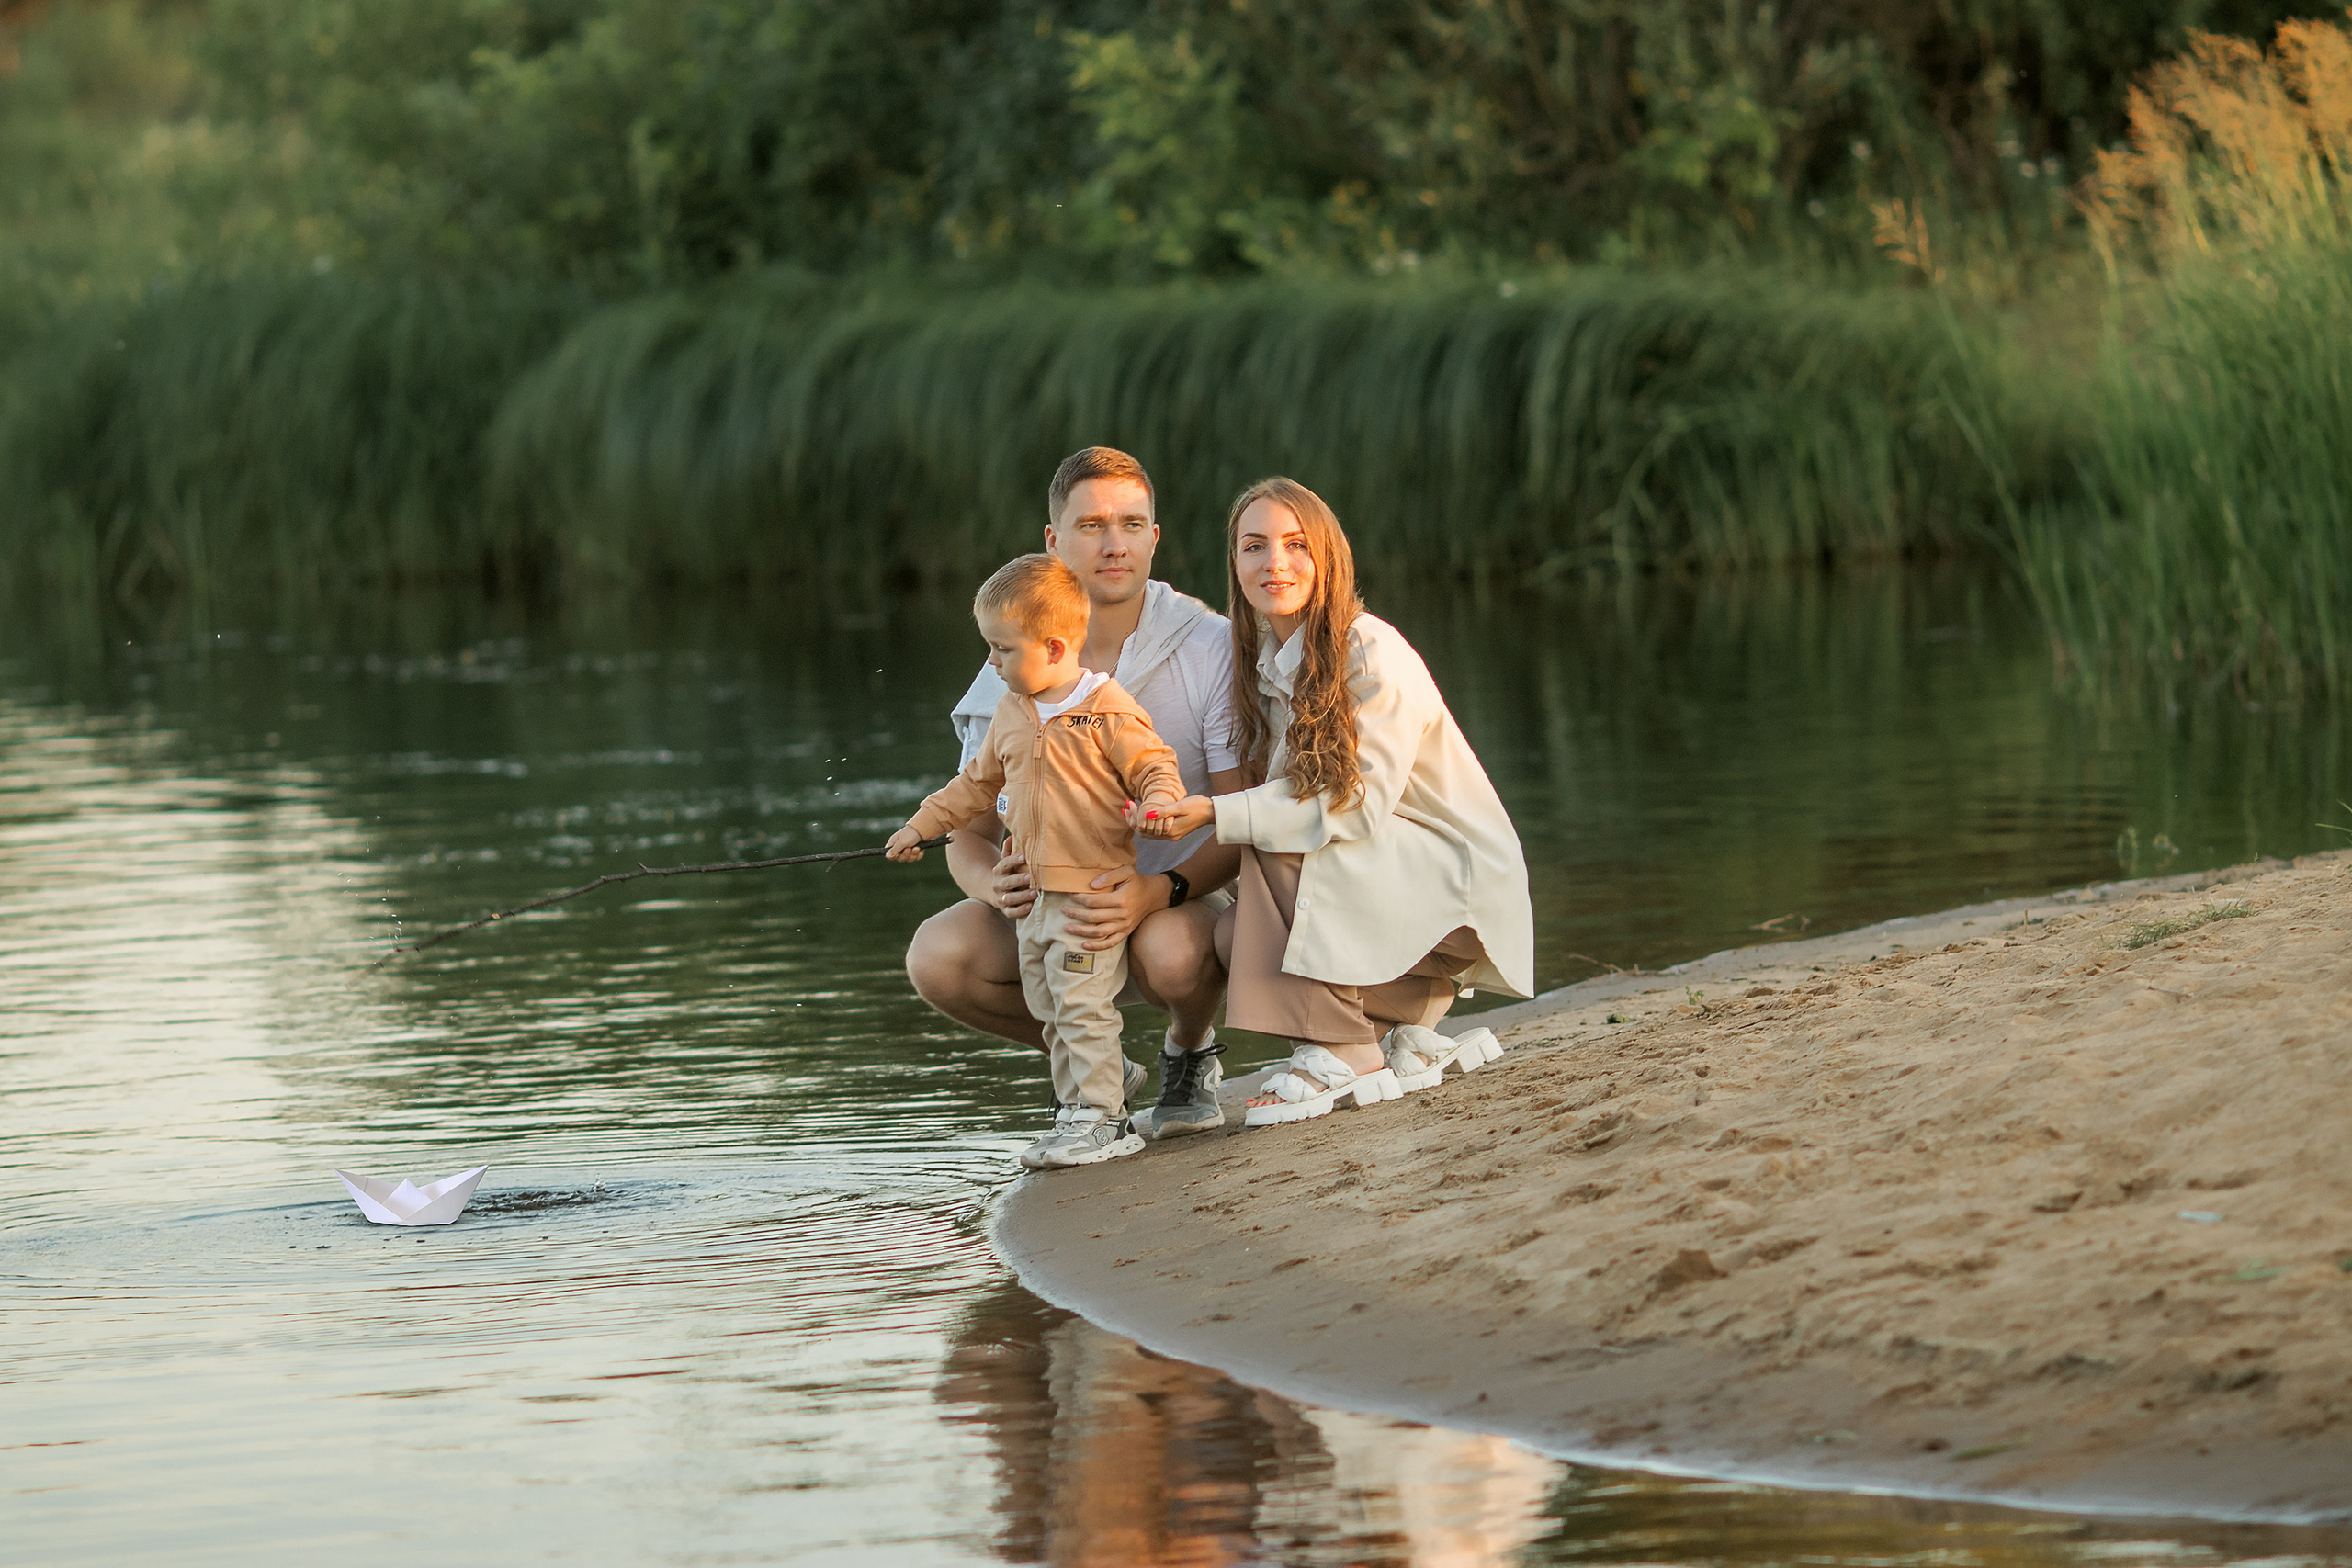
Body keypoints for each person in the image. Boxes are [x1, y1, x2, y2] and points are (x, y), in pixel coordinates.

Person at [1136, 477, 1534, 1126]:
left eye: (1296, 545)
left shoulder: (1369, 650)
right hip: (1385, 886)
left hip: (1452, 889)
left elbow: (1356, 807)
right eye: (1254, 546)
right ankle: (1401, 1028)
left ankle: (1347, 1049)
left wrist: (1217, 812)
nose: (1275, 563)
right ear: (1234, 564)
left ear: (1327, 557)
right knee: (1239, 935)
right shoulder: (1265, 665)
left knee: (1272, 835)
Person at [905, 446, 1246, 1139]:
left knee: (1172, 955)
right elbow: (967, 829)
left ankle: (1189, 1049)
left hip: (1174, 898)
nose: (1113, 543)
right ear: (1054, 542)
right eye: (1091, 525)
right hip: (1051, 902)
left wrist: (1159, 890)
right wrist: (991, 886)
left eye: (1130, 523)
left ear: (1155, 536)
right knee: (936, 957)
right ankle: (1098, 1068)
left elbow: (1242, 821)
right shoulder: (1012, 656)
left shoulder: (1213, 648)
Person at [888, 555, 1186, 1168]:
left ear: (1053, 647)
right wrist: (921, 825)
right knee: (1049, 1007)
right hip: (1033, 904)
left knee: (1081, 1003)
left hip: (1089, 895)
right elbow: (971, 788)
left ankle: (1106, 1120)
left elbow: (1155, 764)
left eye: (1001, 649)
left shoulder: (1106, 709)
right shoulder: (1011, 713)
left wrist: (1160, 801)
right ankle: (1079, 1104)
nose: (992, 663)